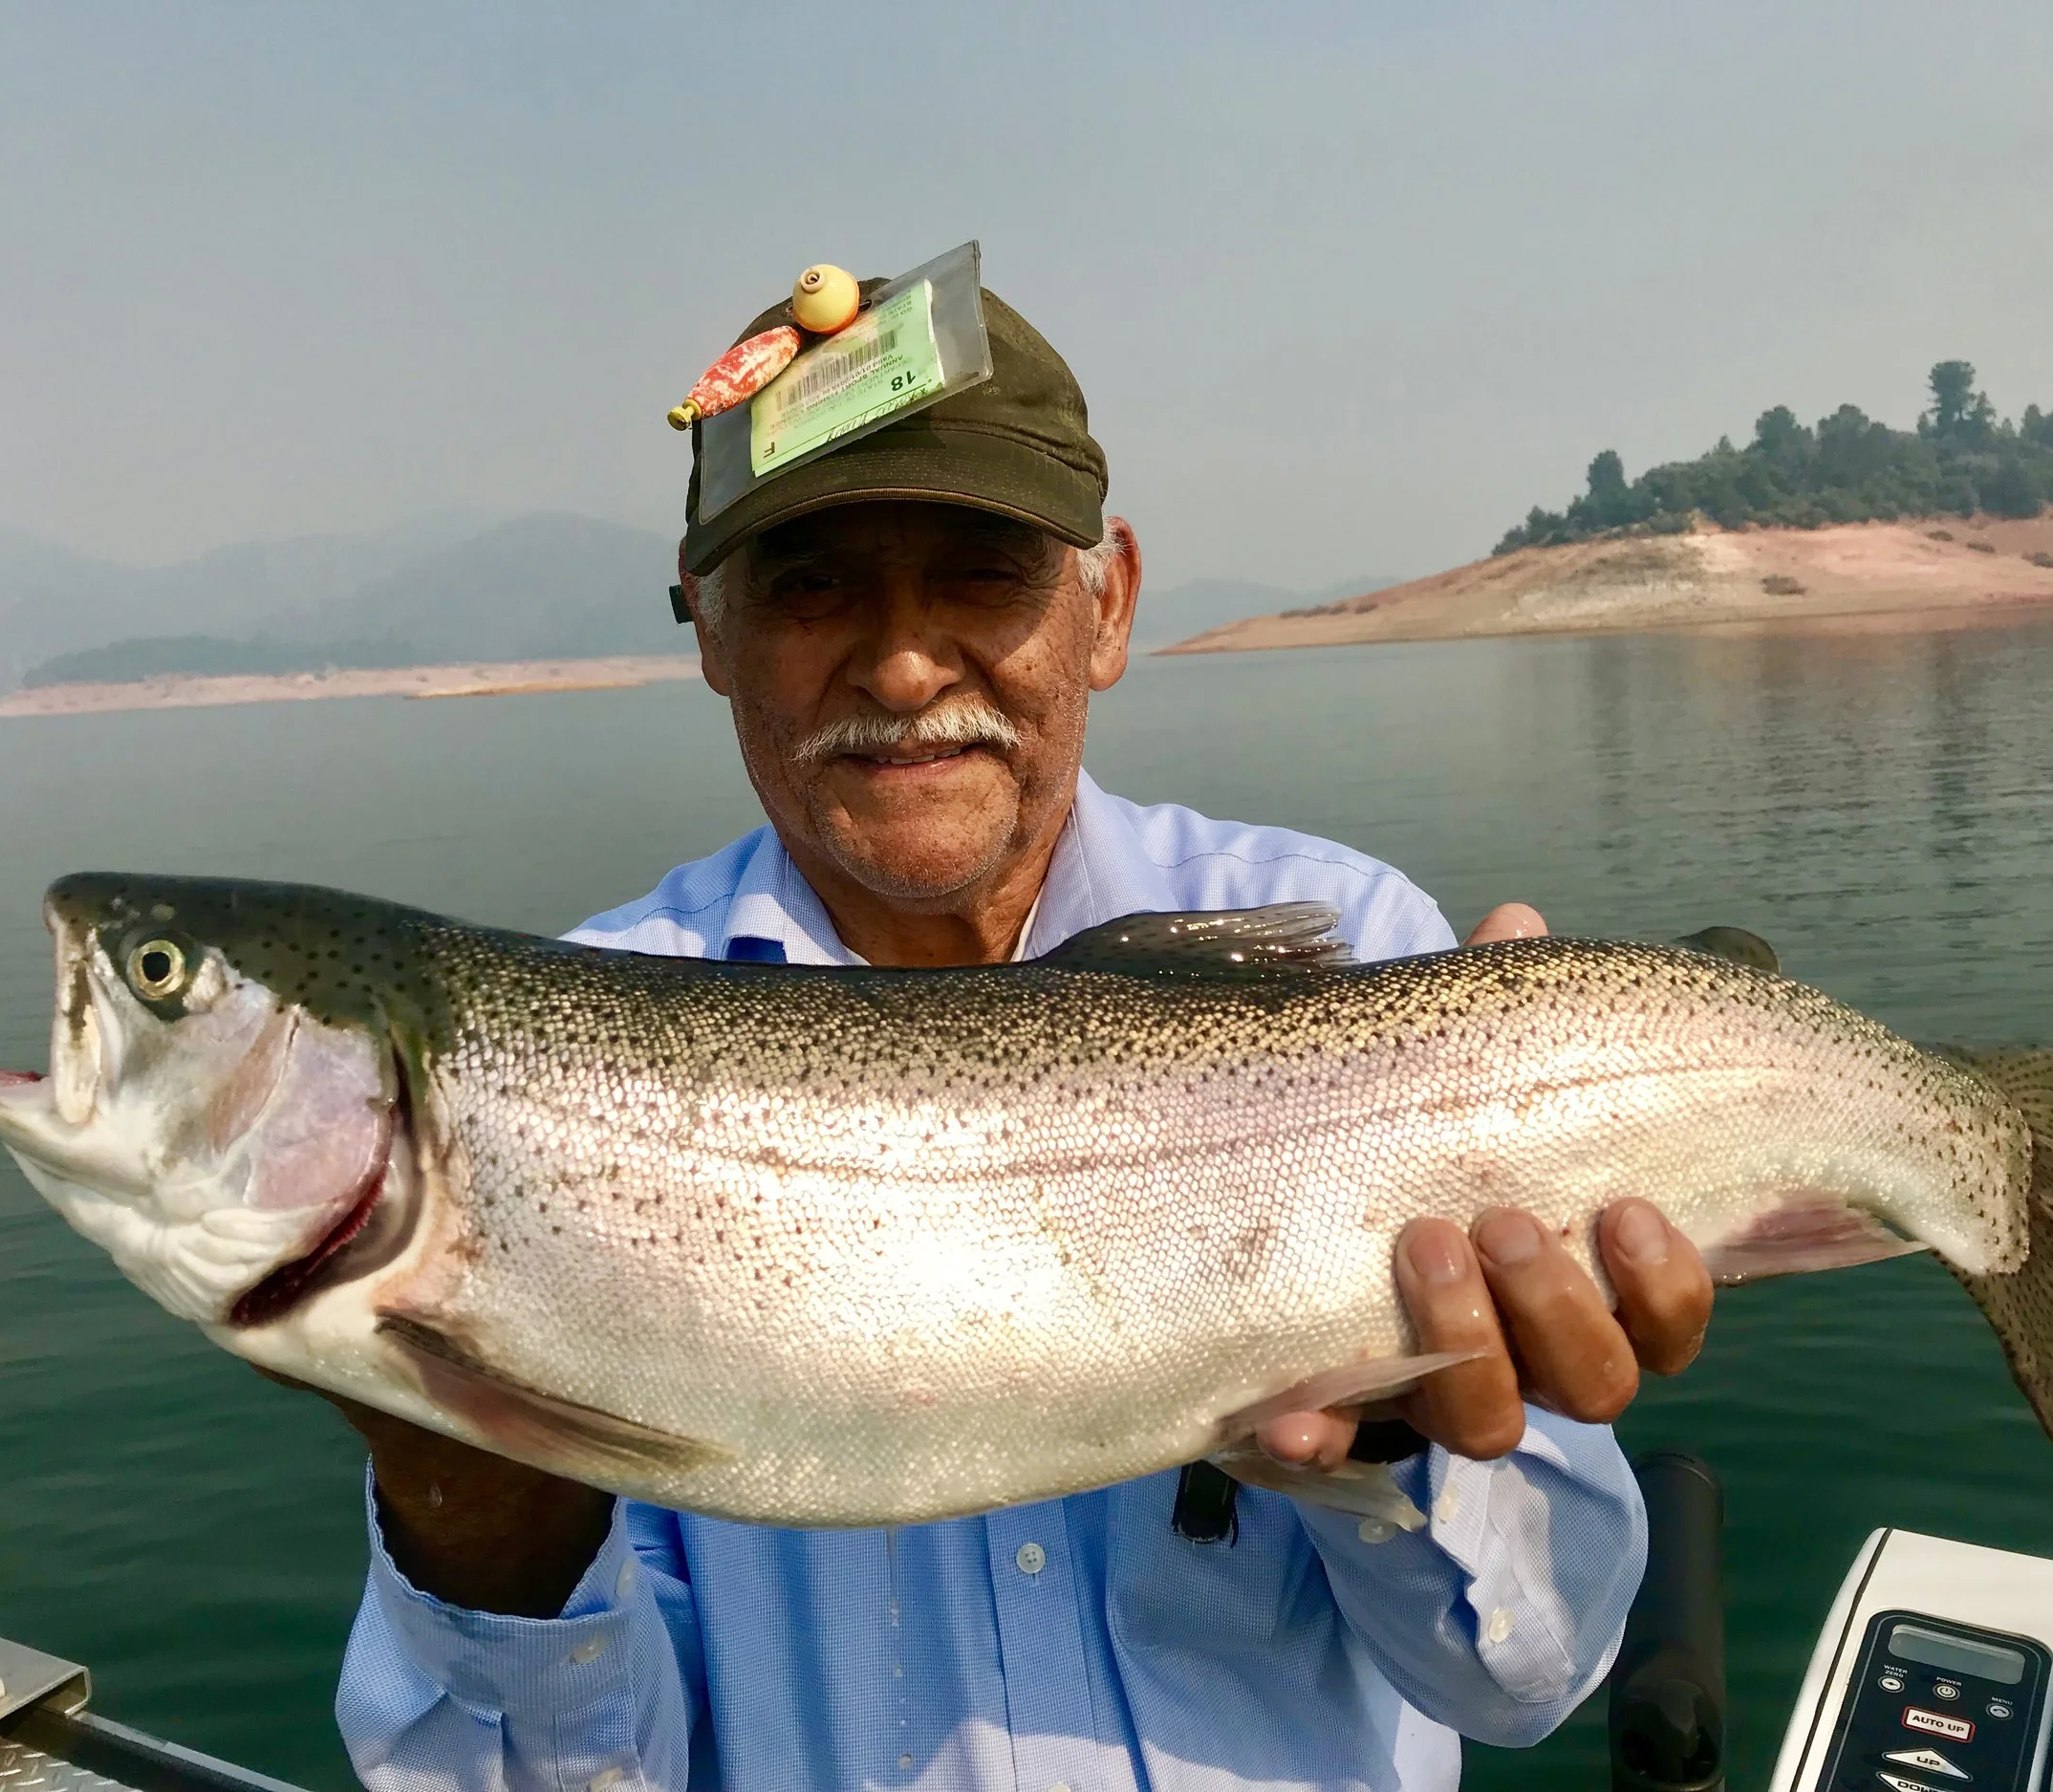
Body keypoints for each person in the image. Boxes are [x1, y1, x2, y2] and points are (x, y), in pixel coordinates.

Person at [327, 275, 1715, 1791]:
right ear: (708, 628)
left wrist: (1393, 1442)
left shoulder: (1351, 953)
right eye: (809, 585)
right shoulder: (568, 1073)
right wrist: (481, 1516)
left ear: (1107, 603)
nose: (904, 664)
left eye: (980, 573)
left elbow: (1529, 1676)